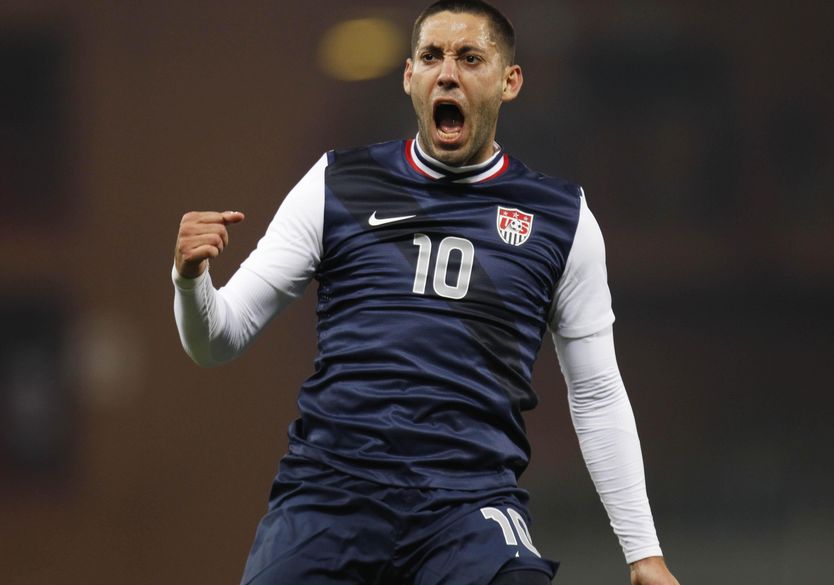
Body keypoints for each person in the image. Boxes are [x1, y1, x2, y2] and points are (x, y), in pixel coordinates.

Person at [172, 1, 681, 584]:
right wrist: (190, 282)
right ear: (409, 75)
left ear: (508, 81)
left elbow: (595, 391)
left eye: (470, 58)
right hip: (330, 494)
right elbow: (218, 339)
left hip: (466, 504)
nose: (448, 73)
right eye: (433, 56)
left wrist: (644, 553)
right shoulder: (338, 182)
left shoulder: (561, 218)